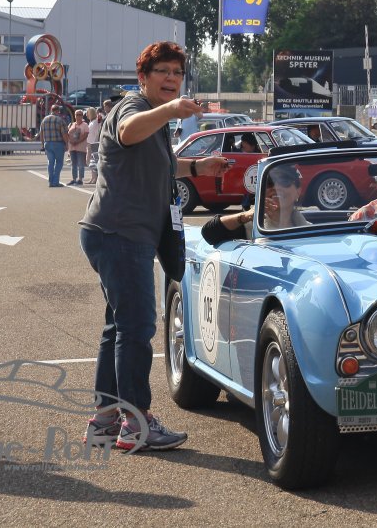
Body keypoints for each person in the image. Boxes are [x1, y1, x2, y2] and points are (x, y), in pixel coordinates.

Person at [79, 41, 226, 453]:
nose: (171, 79)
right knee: (137, 328)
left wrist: (198, 166)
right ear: (142, 77)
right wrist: (171, 110)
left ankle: (105, 420)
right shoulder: (133, 107)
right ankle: (136, 423)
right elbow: (128, 131)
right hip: (120, 235)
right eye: (162, 71)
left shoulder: (155, 117)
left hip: (117, 234)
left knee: (119, 327)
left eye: (177, 73)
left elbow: (160, 162)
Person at [203, 163, 310, 244]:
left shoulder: (311, 231)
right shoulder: (249, 227)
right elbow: (209, 233)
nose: (276, 187)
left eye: (284, 181)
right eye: (269, 182)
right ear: (260, 191)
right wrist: (246, 216)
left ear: (298, 191)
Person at [39, 102, 68, 187]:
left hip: (47, 143)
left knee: (50, 162)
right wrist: (67, 144)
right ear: (58, 111)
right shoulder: (60, 120)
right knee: (59, 163)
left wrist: (42, 144)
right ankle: (55, 181)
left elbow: (41, 134)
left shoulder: (44, 120)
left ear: (51, 110)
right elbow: (64, 134)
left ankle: (51, 181)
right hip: (58, 143)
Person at [66, 110, 90, 185]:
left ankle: (80, 179)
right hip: (72, 147)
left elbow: (86, 135)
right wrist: (71, 141)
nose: (78, 116)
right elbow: (68, 134)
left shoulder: (85, 125)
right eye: (77, 115)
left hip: (81, 147)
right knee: (73, 164)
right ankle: (74, 179)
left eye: (80, 115)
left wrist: (78, 141)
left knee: (81, 164)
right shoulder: (72, 124)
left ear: (82, 116)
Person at [84, 107, 104, 184]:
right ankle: (93, 178)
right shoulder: (92, 122)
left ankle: (95, 178)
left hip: (93, 143)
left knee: (92, 161)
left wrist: (98, 113)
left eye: (87, 113)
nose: (86, 115)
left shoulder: (96, 121)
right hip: (90, 143)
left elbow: (101, 117)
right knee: (91, 161)